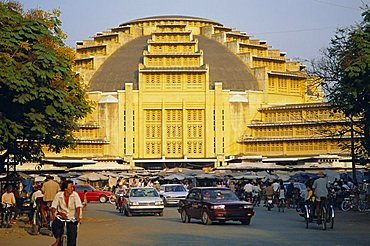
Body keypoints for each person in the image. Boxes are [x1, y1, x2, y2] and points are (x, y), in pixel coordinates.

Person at [50, 180, 82, 246]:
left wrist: (78, 217)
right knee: (55, 224)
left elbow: (78, 206)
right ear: (65, 188)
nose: (72, 189)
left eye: (73, 187)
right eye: (71, 187)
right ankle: (58, 240)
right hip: (61, 217)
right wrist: (53, 214)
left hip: (72, 218)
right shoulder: (59, 195)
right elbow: (54, 206)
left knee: (72, 237)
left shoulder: (75, 195)